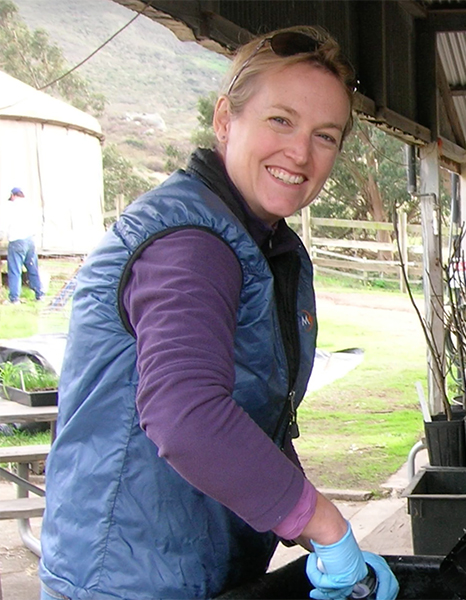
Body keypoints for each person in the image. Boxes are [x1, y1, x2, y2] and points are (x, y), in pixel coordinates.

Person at [39, 26, 399, 600]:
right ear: (226, 119)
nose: (300, 153)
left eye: (325, 136)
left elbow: (250, 418)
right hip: (131, 579)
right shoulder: (190, 243)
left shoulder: (257, 243)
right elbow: (186, 415)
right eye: (281, 120)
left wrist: (306, 527)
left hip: (190, 567)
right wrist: (325, 525)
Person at [4, 187, 44, 304]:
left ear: (13, 195)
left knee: (15, 270)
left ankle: (14, 298)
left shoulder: (11, 207)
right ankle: (39, 294)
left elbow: (4, 225)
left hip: (17, 241)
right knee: (32, 268)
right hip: (30, 240)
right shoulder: (30, 206)